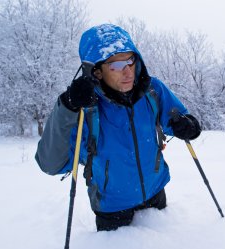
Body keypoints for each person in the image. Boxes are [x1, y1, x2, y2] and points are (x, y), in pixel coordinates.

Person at [35, 24, 201, 231]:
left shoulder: (152, 90)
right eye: (115, 65)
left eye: (130, 60)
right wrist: (67, 107)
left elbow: (177, 117)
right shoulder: (85, 108)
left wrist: (189, 126)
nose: (127, 71)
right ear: (96, 72)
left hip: (155, 190)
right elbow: (51, 163)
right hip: (112, 205)